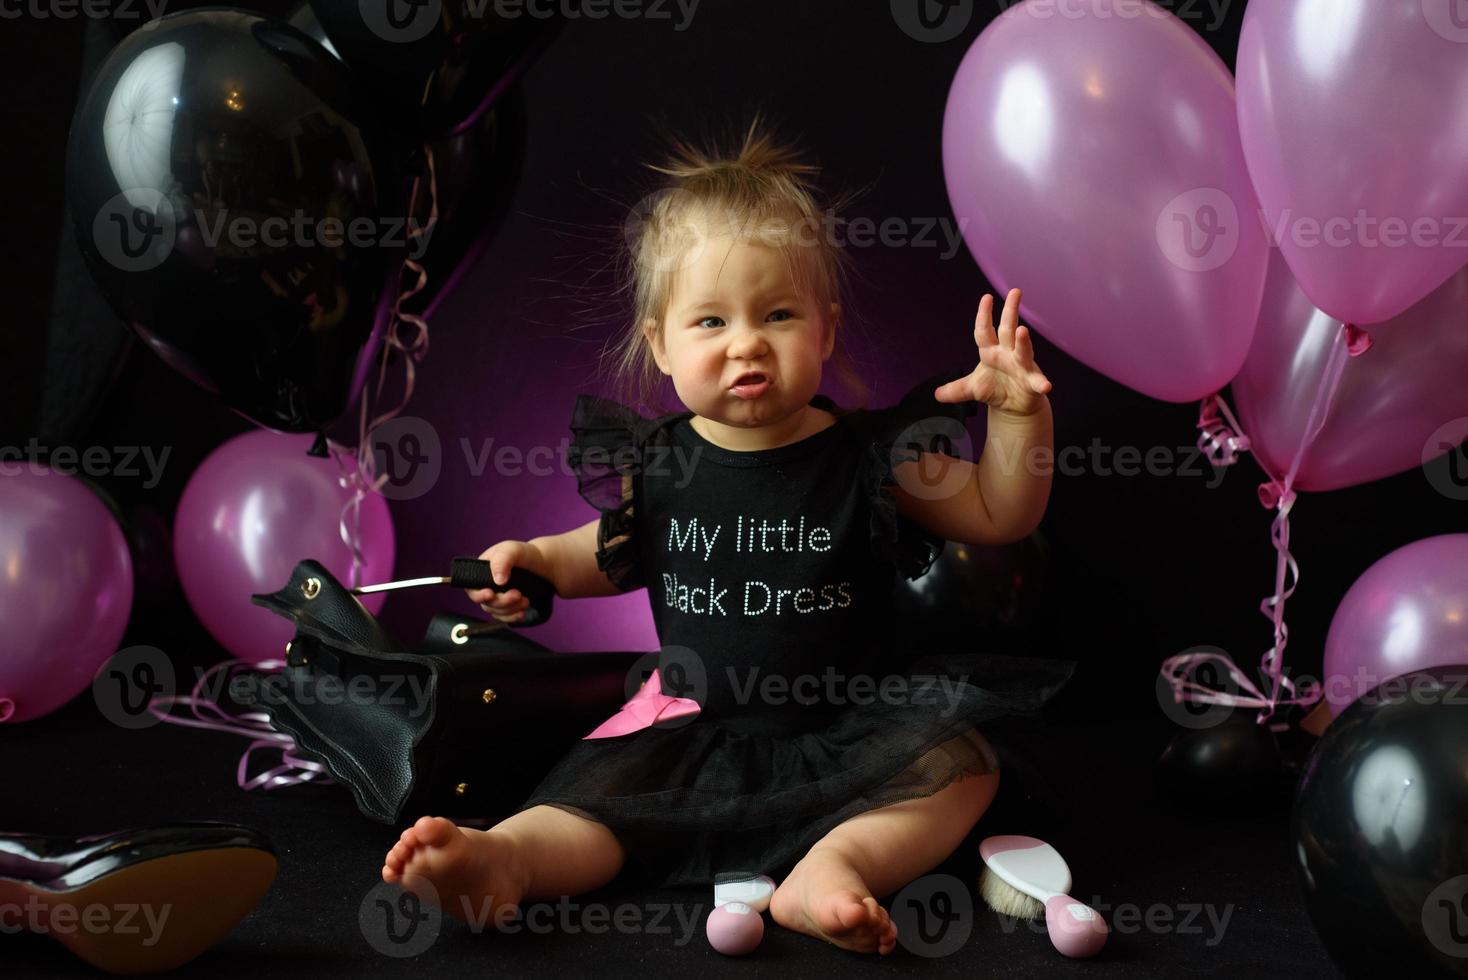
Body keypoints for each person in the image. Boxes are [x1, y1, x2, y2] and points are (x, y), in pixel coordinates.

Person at [382, 114, 1076, 955]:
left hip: (849, 727)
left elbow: (1004, 512)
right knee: (597, 801)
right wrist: (535, 563)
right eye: (710, 322)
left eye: (777, 314)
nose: (746, 343)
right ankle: (506, 860)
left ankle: (835, 867)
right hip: (693, 722)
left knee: (963, 768)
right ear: (660, 347)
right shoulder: (660, 465)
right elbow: (604, 554)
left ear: (824, 327)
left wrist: (1019, 416)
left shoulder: (872, 457)